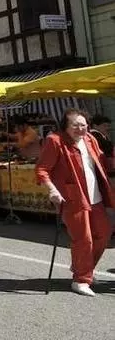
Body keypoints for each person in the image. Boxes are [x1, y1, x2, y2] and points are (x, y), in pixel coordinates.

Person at [35, 109, 114, 297]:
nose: (80, 128)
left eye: (83, 124)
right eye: (75, 125)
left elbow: (102, 161)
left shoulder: (90, 140)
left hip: (95, 196)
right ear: (66, 126)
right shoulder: (55, 140)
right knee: (83, 238)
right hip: (72, 197)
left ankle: (82, 267)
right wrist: (52, 189)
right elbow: (42, 169)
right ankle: (81, 279)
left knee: (104, 233)